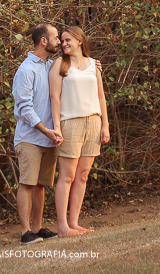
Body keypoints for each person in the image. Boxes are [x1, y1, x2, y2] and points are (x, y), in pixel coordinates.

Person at [49, 26, 110, 237]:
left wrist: (105, 125)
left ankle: (74, 223)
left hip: (93, 123)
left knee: (82, 176)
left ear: (79, 41)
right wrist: (56, 126)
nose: (64, 44)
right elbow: (54, 98)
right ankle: (62, 227)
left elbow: (101, 97)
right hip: (70, 123)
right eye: (62, 41)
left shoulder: (94, 64)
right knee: (67, 175)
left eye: (68, 40)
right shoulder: (60, 64)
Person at [11, 22, 63, 245]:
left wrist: (93, 64)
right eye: (56, 38)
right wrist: (44, 129)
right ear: (44, 41)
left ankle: (38, 228)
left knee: (41, 184)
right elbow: (24, 107)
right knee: (27, 184)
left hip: (48, 138)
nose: (59, 42)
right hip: (30, 138)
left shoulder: (50, 65)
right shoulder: (26, 70)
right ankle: (25, 234)